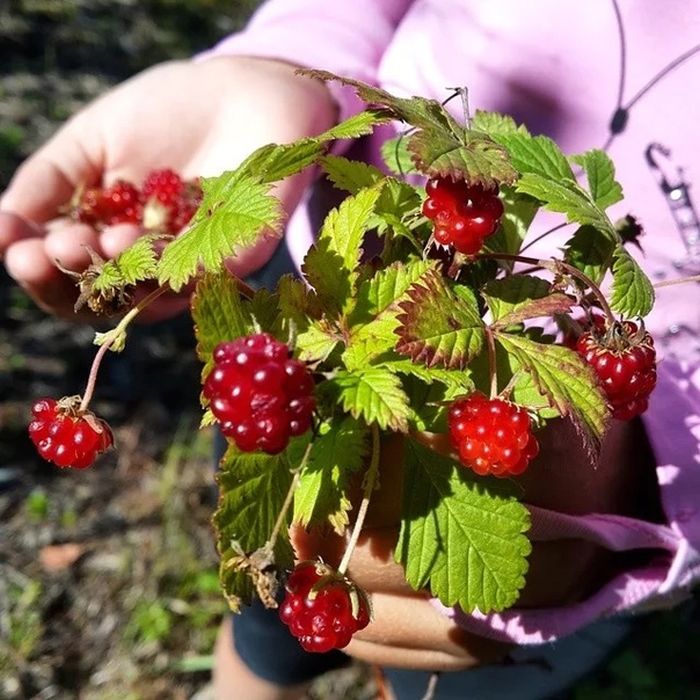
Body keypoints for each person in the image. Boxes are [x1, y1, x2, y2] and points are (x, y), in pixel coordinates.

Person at [2, 2, 699, 698]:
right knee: (272, 582)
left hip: (603, 490)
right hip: (313, 300)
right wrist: (284, 65)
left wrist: (662, 487)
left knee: (460, 659)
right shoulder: (278, 366)